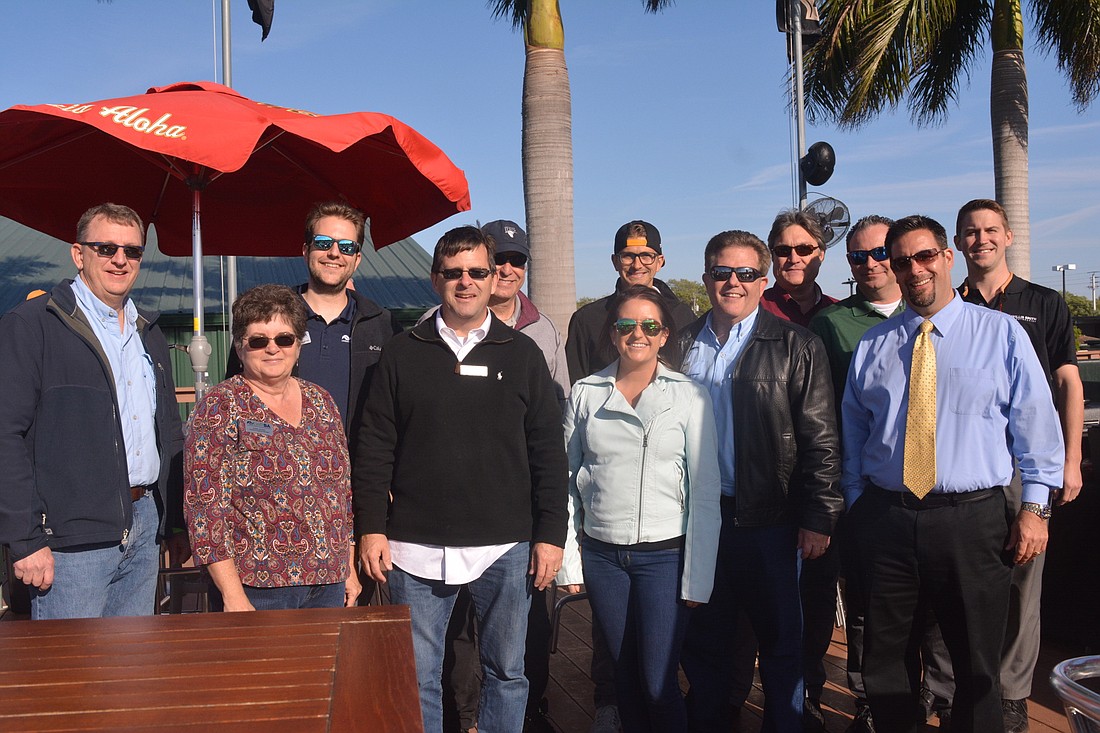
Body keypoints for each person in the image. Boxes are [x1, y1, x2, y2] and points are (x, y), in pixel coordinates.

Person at [841, 215, 1063, 732]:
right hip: (887, 520)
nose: (913, 270)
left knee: (977, 666)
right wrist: (857, 502)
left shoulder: (1002, 334)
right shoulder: (873, 346)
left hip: (972, 521)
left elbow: (1036, 427)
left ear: (946, 257)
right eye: (901, 262)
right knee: (887, 663)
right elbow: (854, 430)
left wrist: (1034, 509)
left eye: (923, 257)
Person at [353, 226, 568, 733]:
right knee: (418, 676)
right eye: (453, 273)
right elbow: (374, 447)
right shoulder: (403, 352)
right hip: (413, 545)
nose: (465, 282)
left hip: (506, 545)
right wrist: (371, 527)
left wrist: (550, 535)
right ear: (435, 280)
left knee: (507, 673)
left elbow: (548, 452)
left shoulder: (522, 354)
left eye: (476, 272)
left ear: (494, 278)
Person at [916, 199, 1085, 733]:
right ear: (956, 246)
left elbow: (1067, 383)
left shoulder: (1043, 302)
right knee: (948, 582)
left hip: (1026, 467)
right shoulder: (945, 300)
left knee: (1021, 582)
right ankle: (943, 688)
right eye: (970, 231)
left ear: (1007, 236)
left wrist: (1070, 462)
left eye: (990, 229)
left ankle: (1010, 692)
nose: (980, 239)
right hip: (964, 467)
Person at [679, 230, 842, 733]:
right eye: (722, 272)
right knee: (705, 643)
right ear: (706, 278)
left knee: (779, 646)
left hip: (771, 521)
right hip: (700, 520)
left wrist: (818, 517)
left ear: (763, 279)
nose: (734, 282)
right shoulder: (681, 344)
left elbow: (821, 438)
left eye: (746, 273)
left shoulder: (797, 344)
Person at [0, 202, 186, 619]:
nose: (120, 260)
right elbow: (5, 436)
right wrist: (25, 538)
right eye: (105, 248)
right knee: (72, 677)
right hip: (69, 543)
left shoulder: (147, 332)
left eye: (132, 251)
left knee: (130, 673)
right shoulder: (33, 325)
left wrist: (173, 521)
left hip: (144, 527)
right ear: (78, 254)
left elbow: (169, 430)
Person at [557, 285, 722, 733]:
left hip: (665, 558)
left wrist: (698, 577)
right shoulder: (586, 394)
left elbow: (706, 492)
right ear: (613, 334)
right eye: (627, 325)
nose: (638, 334)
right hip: (603, 555)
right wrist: (569, 564)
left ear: (665, 335)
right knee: (623, 674)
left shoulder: (690, 397)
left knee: (656, 680)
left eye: (649, 326)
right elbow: (565, 484)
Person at [426, 220, 570, 733]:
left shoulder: (542, 334)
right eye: (497, 260)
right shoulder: (424, 332)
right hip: (439, 528)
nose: (505, 270)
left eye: (513, 262)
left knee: (515, 649)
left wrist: (551, 527)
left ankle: (526, 715)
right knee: (454, 644)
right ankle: (465, 717)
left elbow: (552, 430)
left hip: (512, 523)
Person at [185, 284, 359, 611]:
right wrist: (232, 593)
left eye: (284, 338)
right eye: (258, 340)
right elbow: (205, 508)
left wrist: (347, 564)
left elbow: (340, 490)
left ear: (297, 345)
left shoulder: (322, 401)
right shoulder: (220, 407)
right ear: (239, 348)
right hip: (258, 587)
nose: (272, 349)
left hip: (329, 582)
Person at [807, 214, 901, 733]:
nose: (869, 264)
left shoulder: (935, 313)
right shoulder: (832, 323)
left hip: (929, 494)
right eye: (858, 257)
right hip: (858, 489)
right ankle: (867, 699)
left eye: (880, 253)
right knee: (863, 604)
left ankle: (935, 696)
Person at [227, 201, 403, 442]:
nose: (334, 253)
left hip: (360, 471)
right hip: (281, 466)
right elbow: (235, 393)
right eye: (323, 243)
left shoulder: (383, 326)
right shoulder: (265, 318)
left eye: (347, 247)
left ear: (357, 258)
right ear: (305, 250)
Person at [566, 220, 697, 383]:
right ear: (615, 261)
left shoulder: (682, 317)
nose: (637, 265)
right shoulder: (587, 320)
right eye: (628, 256)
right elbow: (574, 384)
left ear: (660, 262)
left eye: (646, 256)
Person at [761, 209, 839, 326]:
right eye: (783, 250)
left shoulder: (839, 314)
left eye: (804, 249)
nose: (793, 259)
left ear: (821, 254)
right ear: (772, 256)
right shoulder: (752, 312)